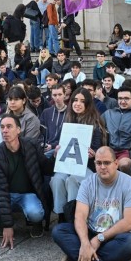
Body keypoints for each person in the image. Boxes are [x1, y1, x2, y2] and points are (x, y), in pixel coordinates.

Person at [52, 146, 131, 261]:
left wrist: (99, 239)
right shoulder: (87, 183)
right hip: (91, 231)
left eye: (107, 163)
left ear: (116, 164)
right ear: (94, 164)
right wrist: (85, 243)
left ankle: (78, 259)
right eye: (99, 163)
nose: (103, 167)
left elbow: (129, 222)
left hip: (115, 236)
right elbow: (80, 216)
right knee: (59, 231)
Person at [0, 114, 55, 244]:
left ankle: (36, 224)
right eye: (2, 127)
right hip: (7, 193)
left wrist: (54, 157)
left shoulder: (31, 145)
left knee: (36, 213)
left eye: (9, 126)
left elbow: (47, 169)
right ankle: (0, 222)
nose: (5, 130)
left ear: (18, 130)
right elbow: (1, 189)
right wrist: (7, 225)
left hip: (28, 194)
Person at [51, 88, 108, 222]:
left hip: (87, 167)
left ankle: (73, 217)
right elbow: (61, 144)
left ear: (88, 104)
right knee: (57, 180)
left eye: (82, 101)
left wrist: (94, 154)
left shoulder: (95, 124)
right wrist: (57, 151)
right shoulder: (67, 120)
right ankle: (61, 215)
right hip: (68, 165)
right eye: (75, 100)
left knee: (72, 180)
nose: (78, 104)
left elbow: (99, 151)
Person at [101, 86, 131, 174]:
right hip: (110, 150)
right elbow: (96, 126)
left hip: (128, 151)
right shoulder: (109, 113)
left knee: (124, 164)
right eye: (120, 98)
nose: (123, 101)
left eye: (126, 98)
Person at [40, 85, 68, 154]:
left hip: (63, 148)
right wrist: (43, 143)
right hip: (46, 148)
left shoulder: (70, 113)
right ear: (51, 96)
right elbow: (40, 131)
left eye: (60, 94)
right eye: (55, 95)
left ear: (64, 95)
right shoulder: (46, 112)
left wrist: (52, 146)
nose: (57, 98)